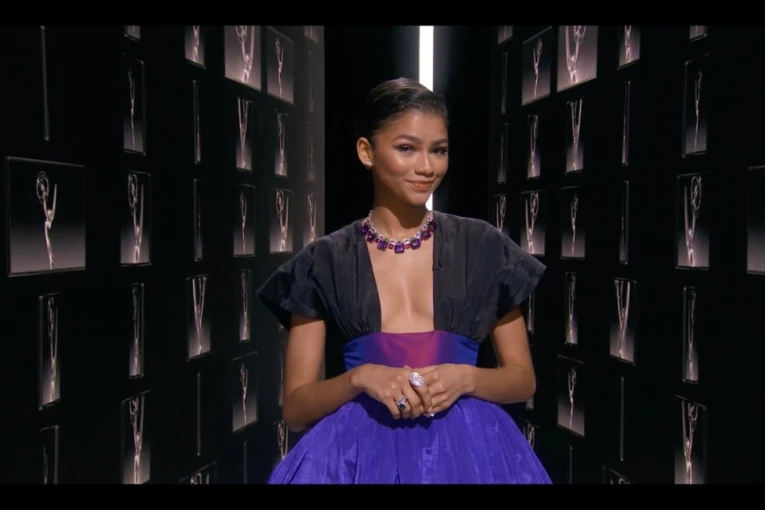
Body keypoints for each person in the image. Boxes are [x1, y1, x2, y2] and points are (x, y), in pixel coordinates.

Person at [257, 77, 552, 484]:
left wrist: (465, 378)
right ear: (366, 152)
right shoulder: (323, 262)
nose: (427, 167)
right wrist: (360, 378)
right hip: (355, 460)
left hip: (470, 456)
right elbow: (296, 408)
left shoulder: (483, 246)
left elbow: (522, 380)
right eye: (406, 148)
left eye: (439, 150)